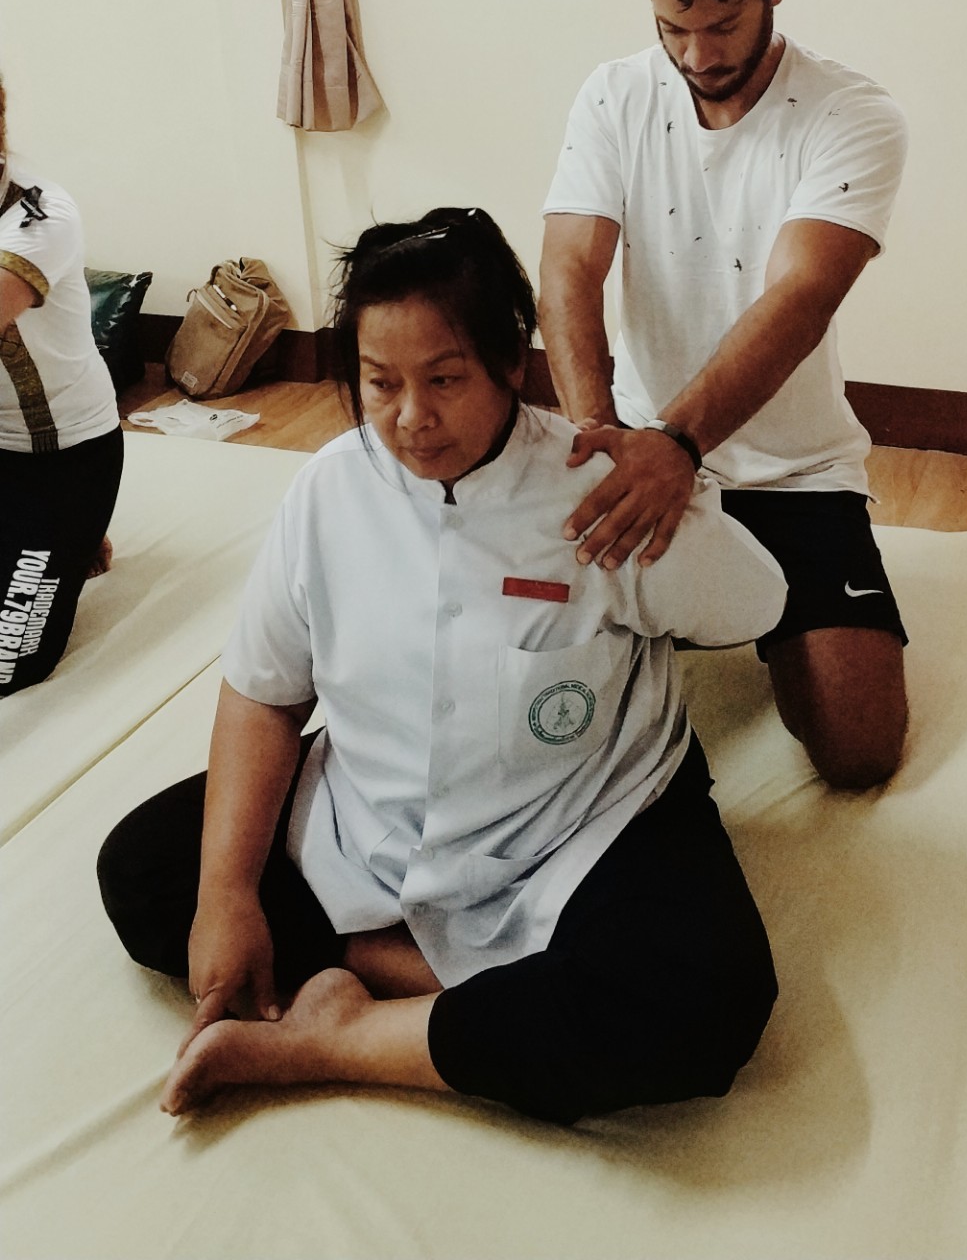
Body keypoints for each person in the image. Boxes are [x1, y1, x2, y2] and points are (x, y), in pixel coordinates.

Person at [97, 207, 786, 1126]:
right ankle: (438, 980)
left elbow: (759, 604)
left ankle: (338, 1037)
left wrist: (675, 478)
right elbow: (264, 695)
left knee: (709, 999)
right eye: (380, 383)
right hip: (369, 818)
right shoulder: (329, 490)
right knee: (145, 873)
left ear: (510, 363)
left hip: (575, 824)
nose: (411, 420)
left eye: (445, 379)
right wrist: (226, 895)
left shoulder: (597, 490)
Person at [539, 0, 909, 792]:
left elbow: (799, 298)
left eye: (724, 24)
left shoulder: (852, 113)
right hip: (636, 449)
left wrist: (679, 444)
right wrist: (600, 438)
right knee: (538, 700)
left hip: (795, 473)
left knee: (859, 750)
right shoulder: (614, 95)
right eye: (674, 28)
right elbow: (570, 269)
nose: (699, 55)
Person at [0, 75, 123, 694]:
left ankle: (69, 533)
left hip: (63, 456)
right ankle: (66, 540)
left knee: (6, 662)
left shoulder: (41, 213)